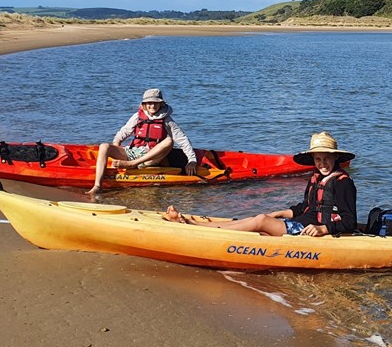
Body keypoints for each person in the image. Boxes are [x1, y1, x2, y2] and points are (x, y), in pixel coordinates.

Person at [163, 131, 357, 237]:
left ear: (336, 158)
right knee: (261, 218)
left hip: (312, 230)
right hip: (302, 224)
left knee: (261, 221)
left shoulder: (343, 183)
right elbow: (306, 208)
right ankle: (193, 223)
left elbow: (350, 222)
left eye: (326, 159)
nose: (322, 164)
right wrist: (280, 213)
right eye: (318, 159)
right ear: (313, 160)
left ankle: (193, 227)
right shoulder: (316, 177)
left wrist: (323, 229)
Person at [86, 88, 198, 194]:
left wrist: (192, 160)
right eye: (149, 103)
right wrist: (116, 143)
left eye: (155, 102)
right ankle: (98, 186)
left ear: (161, 104)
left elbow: (183, 139)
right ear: (144, 105)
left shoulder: (167, 120)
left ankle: (132, 164)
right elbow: (124, 132)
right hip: (133, 152)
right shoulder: (137, 117)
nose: (152, 105)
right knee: (104, 146)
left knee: (169, 141)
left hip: (150, 158)